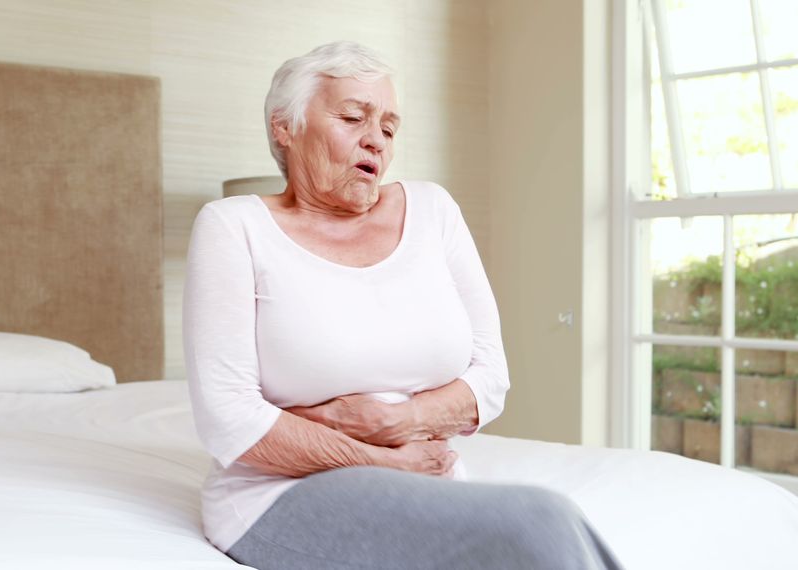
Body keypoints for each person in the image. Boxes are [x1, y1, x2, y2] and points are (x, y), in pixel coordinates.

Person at [183, 41, 621, 570]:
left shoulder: (433, 210)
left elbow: (490, 377)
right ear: (285, 127)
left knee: (543, 525)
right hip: (277, 495)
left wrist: (397, 422)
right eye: (352, 117)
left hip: (430, 479)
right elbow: (229, 420)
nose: (376, 141)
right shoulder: (233, 226)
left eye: (389, 128)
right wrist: (384, 457)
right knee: (538, 521)